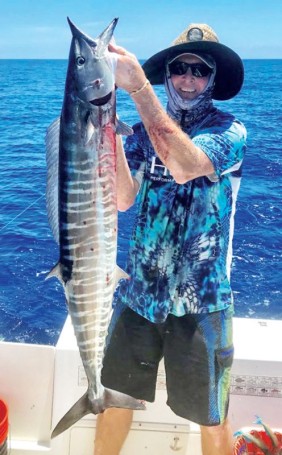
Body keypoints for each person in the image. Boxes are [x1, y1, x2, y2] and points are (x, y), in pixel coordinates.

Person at [94, 23, 247, 455]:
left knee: (211, 417)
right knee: (116, 399)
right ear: (170, 73)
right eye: (181, 68)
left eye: (200, 70)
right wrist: (107, 121)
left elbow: (184, 164)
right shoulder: (142, 133)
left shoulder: (230, 131)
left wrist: (139, 89)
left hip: (204, 302)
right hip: (140, 294)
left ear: (213, 79)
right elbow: (124, 198)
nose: (188, 78)